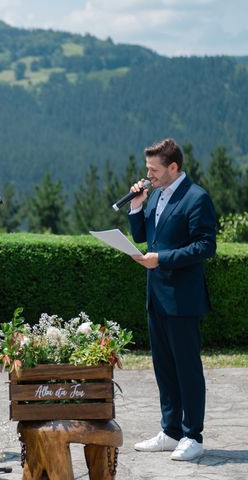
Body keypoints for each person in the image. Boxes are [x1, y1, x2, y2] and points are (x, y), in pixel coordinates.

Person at [128, 138, 216, 461]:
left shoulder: (196, 198)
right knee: (163, 367)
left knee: (187, 369)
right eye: (147, 168)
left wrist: (162, 259)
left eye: (153, 169)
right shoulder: (156, 197)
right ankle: (170, 431)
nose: (148, 174)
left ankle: (193, 435)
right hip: (157, 297)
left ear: (173, 168)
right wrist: (137, 205)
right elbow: (143, 237)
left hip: (183, 300)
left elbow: (205, 246)